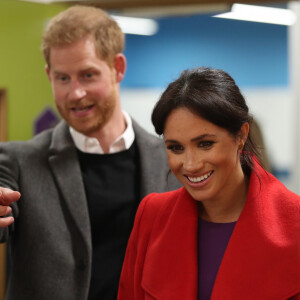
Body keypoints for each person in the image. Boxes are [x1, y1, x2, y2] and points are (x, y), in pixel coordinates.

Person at [0, 5, 180, 300]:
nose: (75, 93)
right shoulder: (18, 162)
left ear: (117, 67)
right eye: (62, 78)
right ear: (48, 75)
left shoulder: (171, 162)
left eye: (87, 75)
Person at [117, 67, 300, 300]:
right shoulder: (152, 217)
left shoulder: (294, 223)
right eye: (176, 148)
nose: (191, 164)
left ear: (241, 135)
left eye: (205, 144)